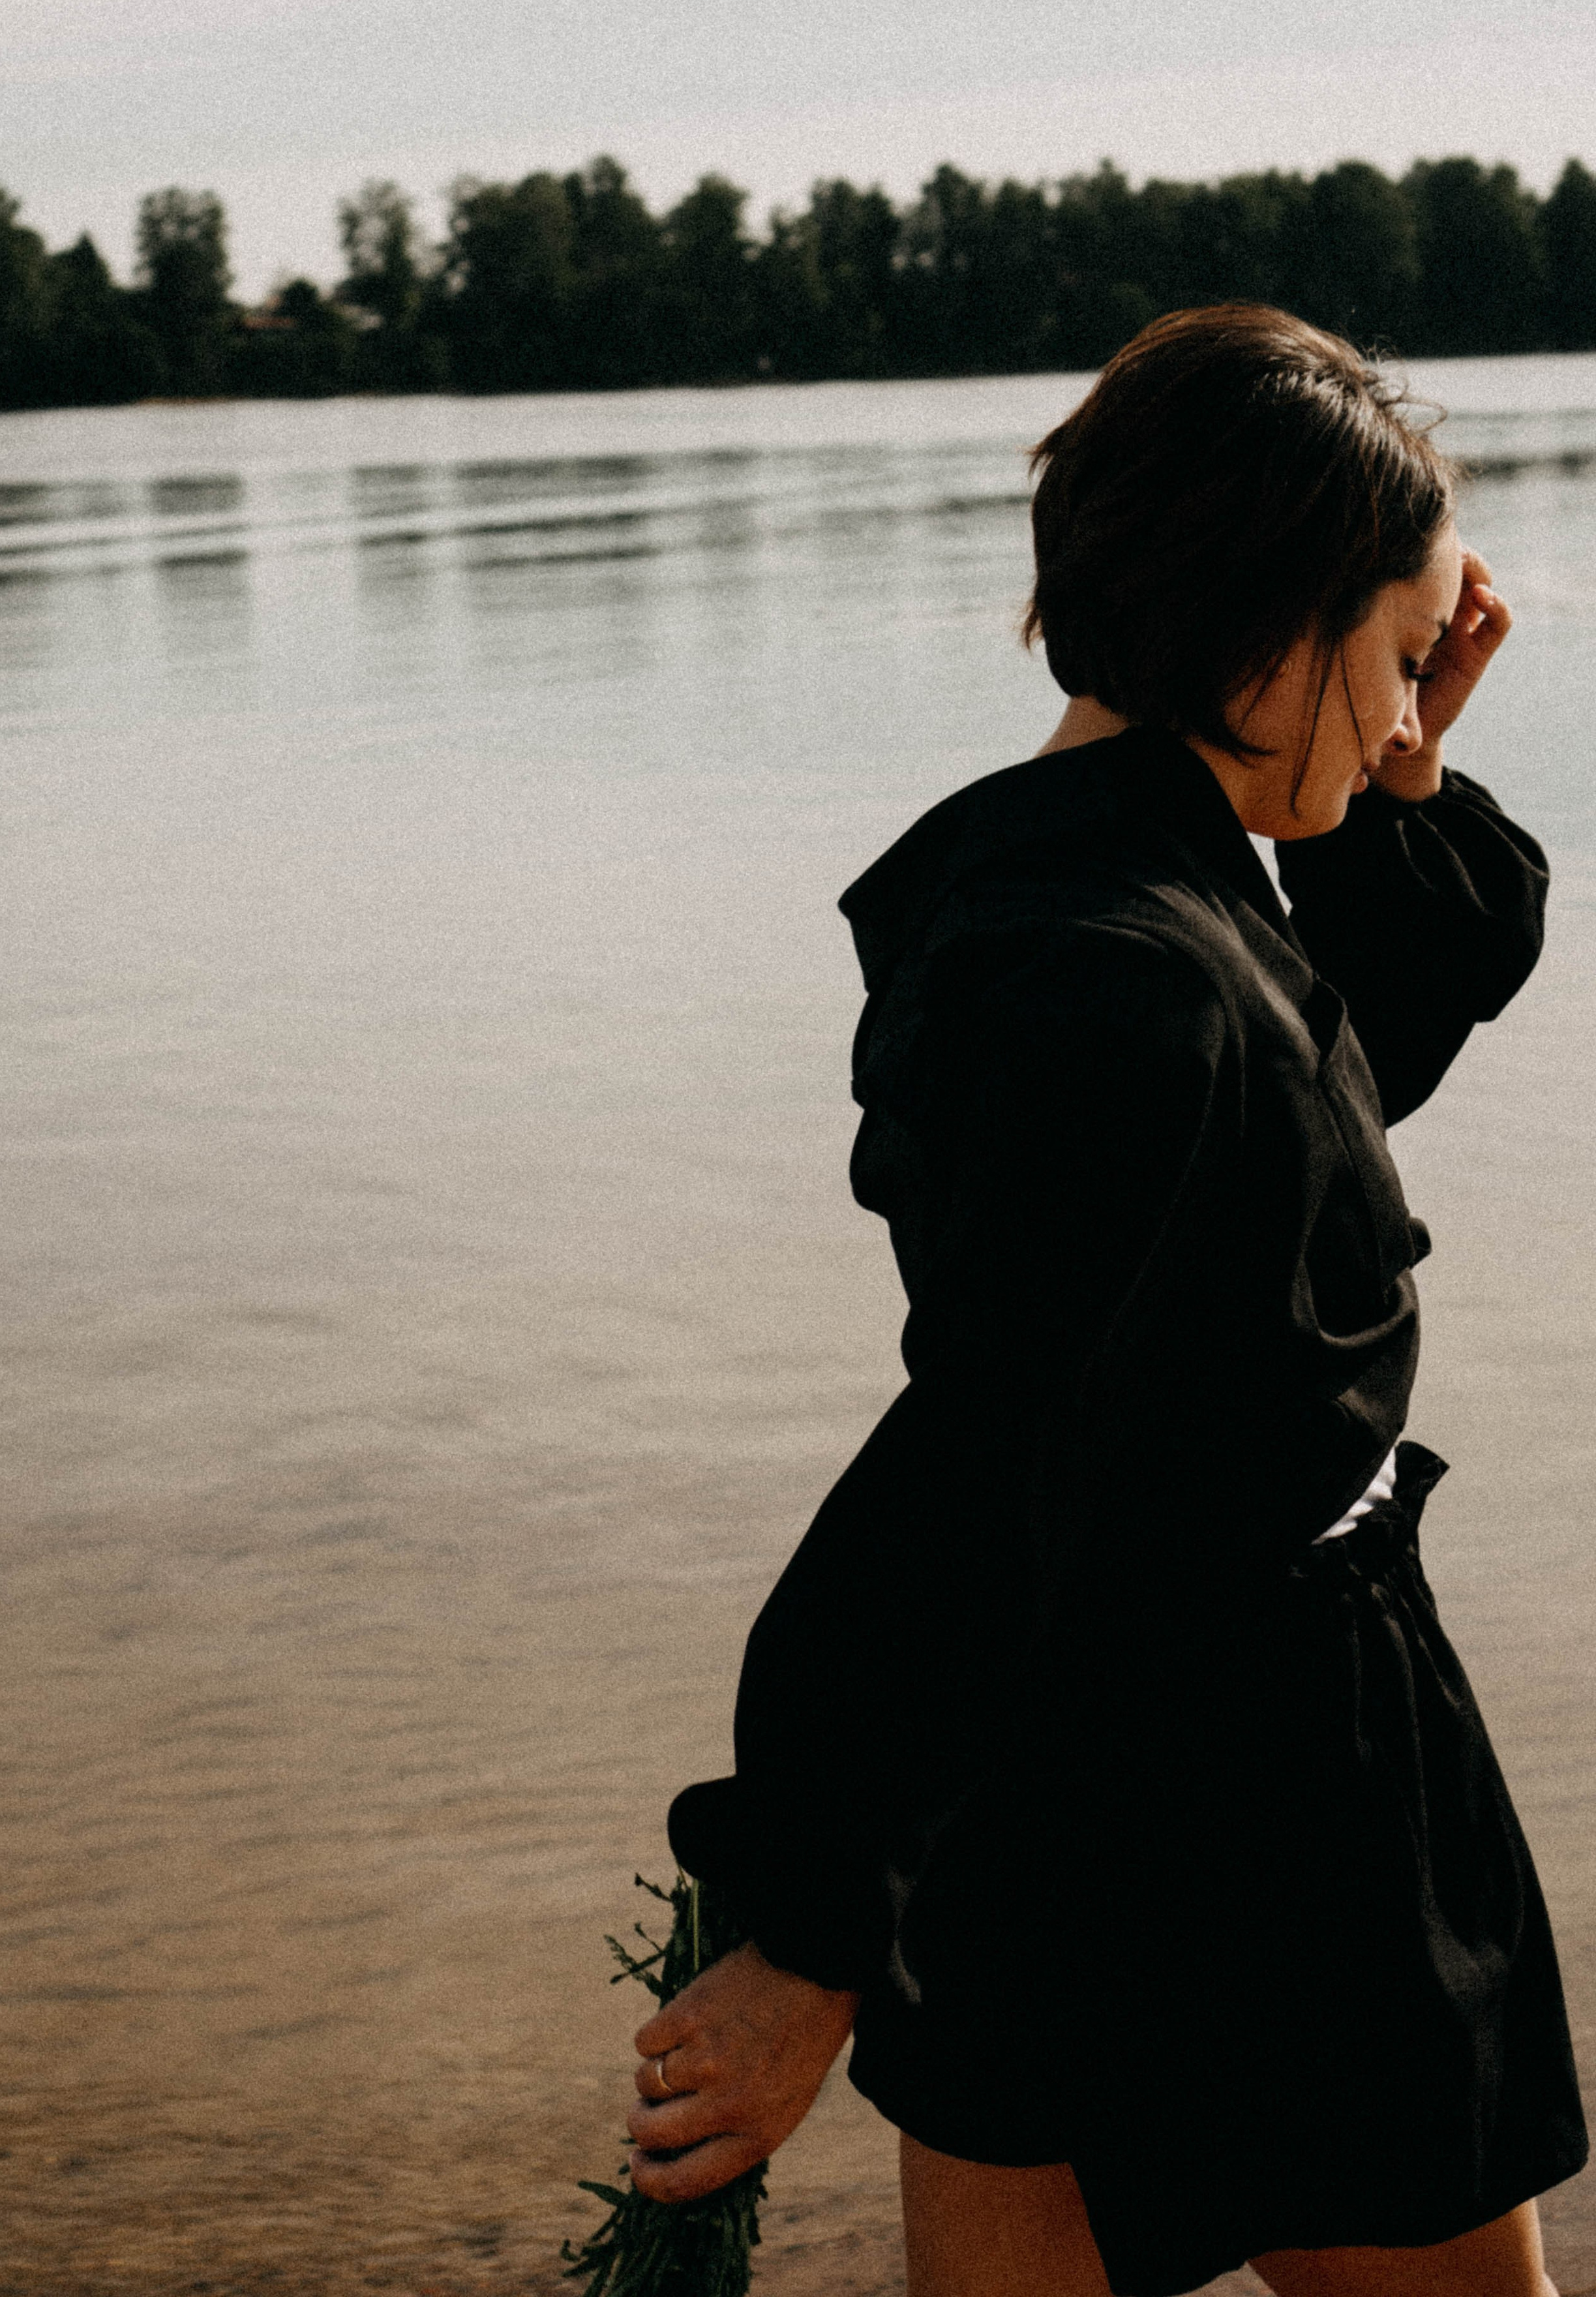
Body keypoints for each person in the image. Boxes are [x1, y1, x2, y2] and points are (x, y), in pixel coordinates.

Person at [621, 307, 1588, 2296]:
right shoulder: (1123, 982)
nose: (1424, 699)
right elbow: (992, 1455)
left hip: (1048, 1784)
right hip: (1280, 1795)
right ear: (1274, 618)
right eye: (1401, 651)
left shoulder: (1095, 891)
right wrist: (809, 1932)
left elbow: (1338, 1088)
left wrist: (1399, 761)